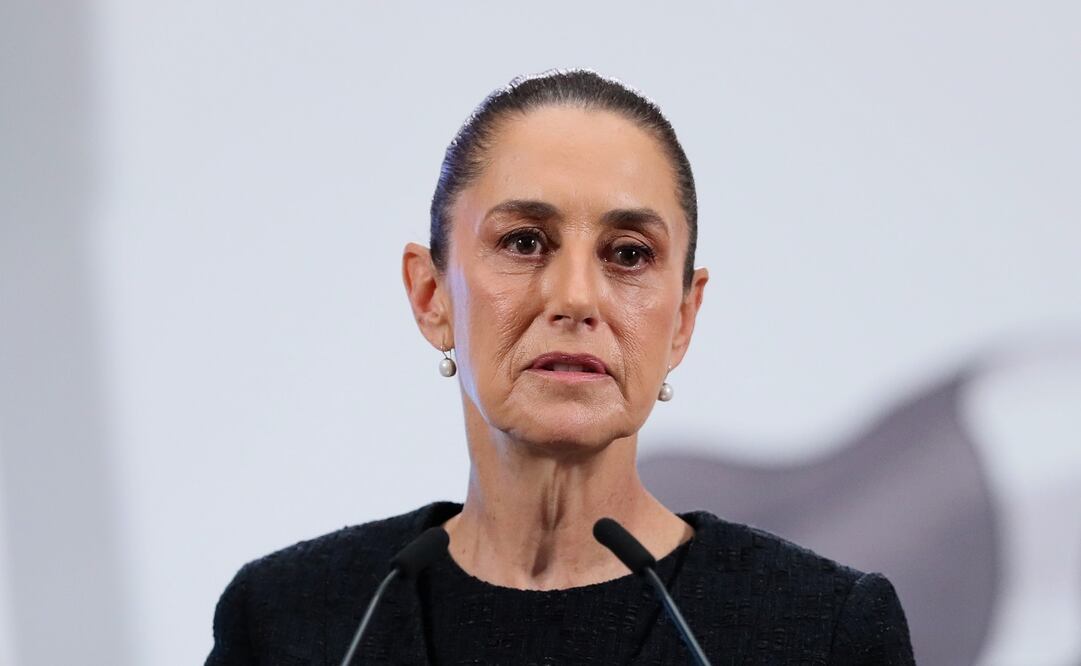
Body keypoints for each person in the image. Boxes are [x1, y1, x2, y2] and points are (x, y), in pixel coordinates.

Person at [205, 69, 915, 665]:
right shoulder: (287, 622)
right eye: (523, 241)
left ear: (682, 320)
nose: (575, 296)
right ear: (430, 296)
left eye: (629, 254)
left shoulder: (823, 631)